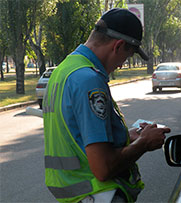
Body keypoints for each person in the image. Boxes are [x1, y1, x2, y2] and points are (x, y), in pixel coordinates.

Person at [43, 8, 171, 203]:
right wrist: (143, 144)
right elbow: (103, 168)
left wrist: (128, 137)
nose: (121, 65)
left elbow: (77, 136)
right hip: (100, 194)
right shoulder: (89, 80)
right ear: (118, 46)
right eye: (126, 58)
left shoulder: (64, 70)